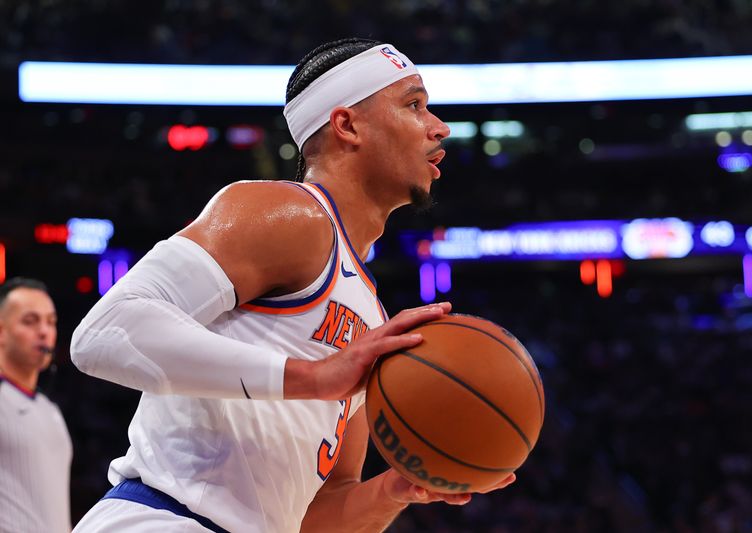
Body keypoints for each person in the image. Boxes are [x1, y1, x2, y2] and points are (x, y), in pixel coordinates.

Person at [71, 38, 514, 533]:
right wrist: (314, 376)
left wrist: (399, 487)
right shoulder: (289, 214)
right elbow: (103, 332)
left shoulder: (372, 318)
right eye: (414, 104)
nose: (439, 126)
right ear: (347, 125)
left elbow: (315, 520)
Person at [0, 277, 72, 533]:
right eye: (30, 321)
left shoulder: (50, 409)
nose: (44, 331)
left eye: (50, 322)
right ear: (1, 332)